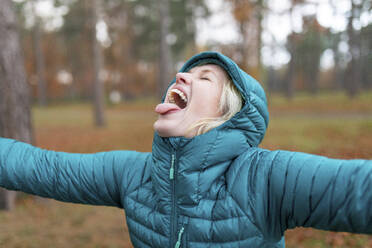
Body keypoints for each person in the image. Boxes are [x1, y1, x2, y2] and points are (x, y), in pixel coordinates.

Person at [0, 51, 371, 248]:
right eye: (184, 74)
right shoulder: (133, 175)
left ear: (229, 112)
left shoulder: (267, 178)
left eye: (204, 77)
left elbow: (357, 189)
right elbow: (41, 167)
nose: (180, 77)